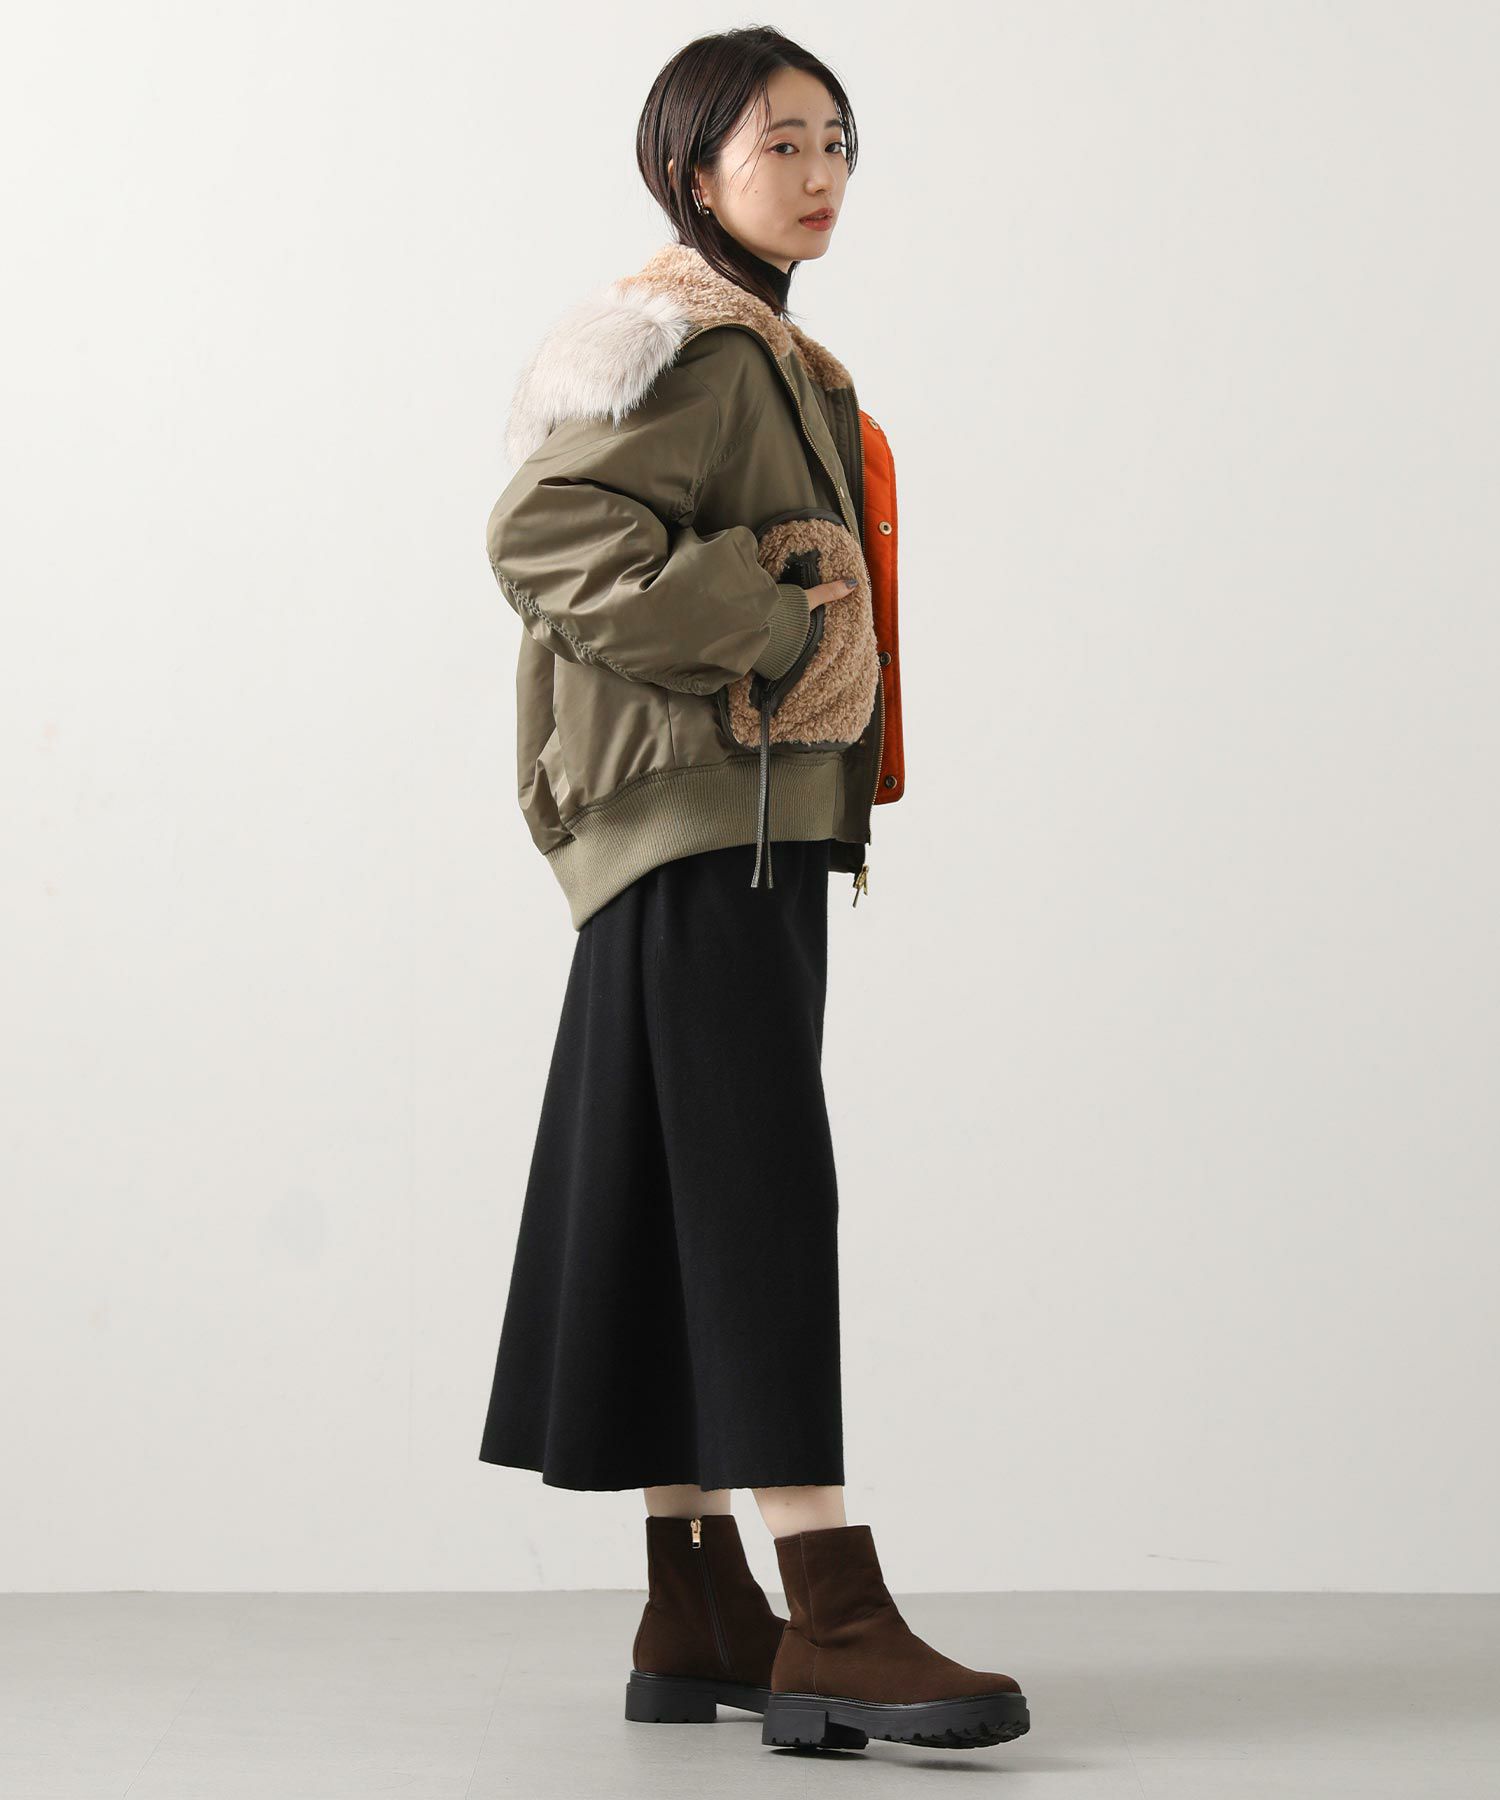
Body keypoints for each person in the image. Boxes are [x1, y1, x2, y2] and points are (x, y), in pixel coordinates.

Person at [477, 25, 1030, 1756]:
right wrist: (779, 629)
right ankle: (834, 1613)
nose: (820, 172)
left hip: (722, 823)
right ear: (689, 171)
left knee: (681, 1188)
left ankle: (698, 1596)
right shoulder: (698, 352)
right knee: (760, 1193)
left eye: (837, 141)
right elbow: (543, 535)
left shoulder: (764, 350)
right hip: (714, 818)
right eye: (779, 143)